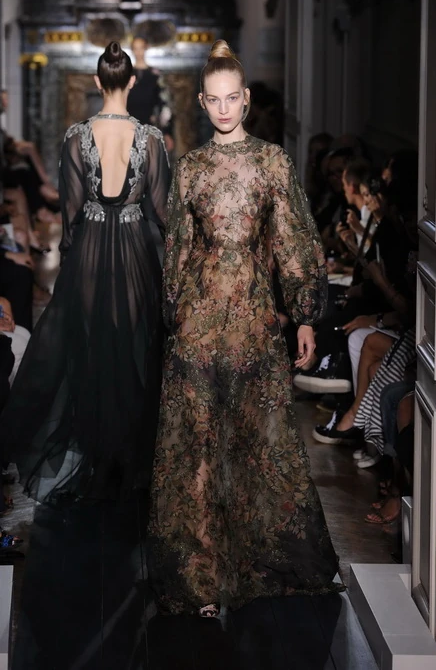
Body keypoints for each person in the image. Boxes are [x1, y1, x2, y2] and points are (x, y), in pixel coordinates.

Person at [148, 40, 341, 618]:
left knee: (262, 440)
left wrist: (304, 317)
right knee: (197, 447)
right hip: (198, 325)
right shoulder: (190, 168)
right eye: (215, 100)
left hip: (254, 322)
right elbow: (178, 249)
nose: (224, 108)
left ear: (247, 98)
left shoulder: (273, 163)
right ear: (202, 102)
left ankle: (262, 565)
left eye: (233, 98)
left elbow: (293, 241)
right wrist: (173, 315)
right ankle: (200, 579)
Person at [0, 41, 170, 501]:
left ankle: (96, 455)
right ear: (131, 81)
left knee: (94, 349)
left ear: (97, 82)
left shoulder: (76, 136)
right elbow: (161, 213)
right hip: (135, 254)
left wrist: (70, 261)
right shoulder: (151, 139)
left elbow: (71, 212)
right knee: (132, 347)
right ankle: (127, 459)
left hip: (91, 251)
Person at [127, 37, 174, 153]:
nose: (138, 52)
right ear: (132, 50)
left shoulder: (156, 75)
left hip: (150, 126)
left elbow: (164, 104)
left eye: (141, 48)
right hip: (128, 127)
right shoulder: (126, 75)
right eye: (135, 48)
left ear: (146, 49)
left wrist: (167, 132)